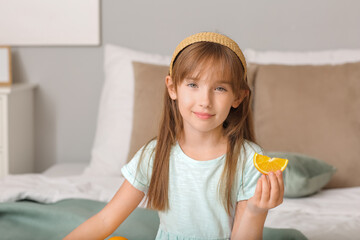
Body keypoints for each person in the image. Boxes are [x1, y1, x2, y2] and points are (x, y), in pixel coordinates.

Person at [64, 32, 284, 240]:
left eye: (219, 88)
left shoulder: (250, 161)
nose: (205, 100)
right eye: (192, 84)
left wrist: (255, 211)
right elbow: (104, 221)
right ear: (172, 88)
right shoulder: (154, 154)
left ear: (238, 97)